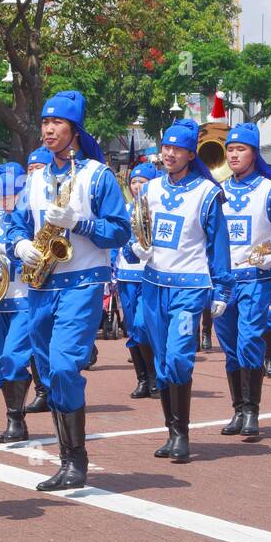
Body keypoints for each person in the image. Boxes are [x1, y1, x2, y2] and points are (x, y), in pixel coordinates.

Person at [4, 93, 130, 489]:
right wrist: (20, 244)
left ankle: (76, 461)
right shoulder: (36, 178)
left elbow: (121, 231)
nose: (48, 130)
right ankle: (66, 460)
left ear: (74, 130)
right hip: (41, 283)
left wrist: (81, 224)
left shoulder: (97, 176)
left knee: (63, 365)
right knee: (46, 370)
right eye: (44, 123)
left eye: (57, 124)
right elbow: (17, 223)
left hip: (82, 282)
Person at [128, 118, 233, 462]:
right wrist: (135, 249)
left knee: (178, 357)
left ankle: (183, 434)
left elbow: (219, 245)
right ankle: (171, 432)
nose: (169, 153)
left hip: (189, 289)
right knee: (160, 361)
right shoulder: (150, 189)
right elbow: (137, 232)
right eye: (166, 147)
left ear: (191, 154)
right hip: (154, 284)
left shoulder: (207, 193)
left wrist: (221, 289)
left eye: (177, 149)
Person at [212, 123, 271, 438]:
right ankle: (238, 409)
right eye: (230, 149)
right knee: (231, 347)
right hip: (224, 282)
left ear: (254, 153)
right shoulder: (216, 190)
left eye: (241, 149)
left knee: (249, 340)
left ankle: (252, 412)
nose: (234, 155)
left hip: (258, 279)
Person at [0, 162, 34, 442]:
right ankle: (15, 421)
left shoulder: (31, 220)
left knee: (13, 358)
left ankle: (17, 420)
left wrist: (10, 250)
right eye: (1, 191)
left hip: (24, 300)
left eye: (12, 191)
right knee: (4, 363)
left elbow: (40, 256)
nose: (6, 197)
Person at [20, 145, 55, 414]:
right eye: (30, 169)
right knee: (37, 334)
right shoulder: (26, 192)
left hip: (65, 273)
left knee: (59, 341)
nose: (33, 173)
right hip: (34, 276)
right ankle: (44, 389)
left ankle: (60, 388)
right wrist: (20, 245)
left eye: (38, 168)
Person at [120, 162, 158, 400]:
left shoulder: (157, 208)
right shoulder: (124, 208)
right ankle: (142, 379)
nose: (137, 186)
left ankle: (154, 375)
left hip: (149, 275)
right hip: (125, 275)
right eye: (134, 181)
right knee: (133, 328)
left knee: (144, 325)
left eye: (142, 182)